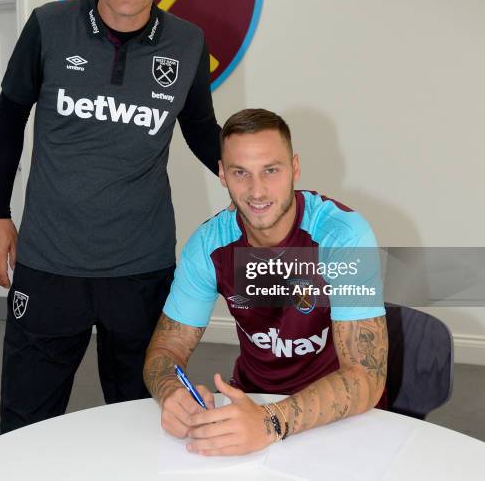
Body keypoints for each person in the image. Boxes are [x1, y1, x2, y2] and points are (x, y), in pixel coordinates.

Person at [0, 0, 221, 434]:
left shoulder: (187, 43)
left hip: (141, 264)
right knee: (26, 420)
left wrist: (250, 180)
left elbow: (202, 130)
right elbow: (9, 117)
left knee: (143, 417)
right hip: (48, 262)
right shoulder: (49, 26)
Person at [144, 108, 388, 456]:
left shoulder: (342, 235)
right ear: (222, 175)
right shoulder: (210, 244)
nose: (257, 191)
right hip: (251, 402)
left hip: (338, 412)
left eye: (271, 171)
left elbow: (366, 377)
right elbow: (166, 350)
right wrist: (170, 391)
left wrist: (271, 422)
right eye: (240, 172)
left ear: (295, 169)